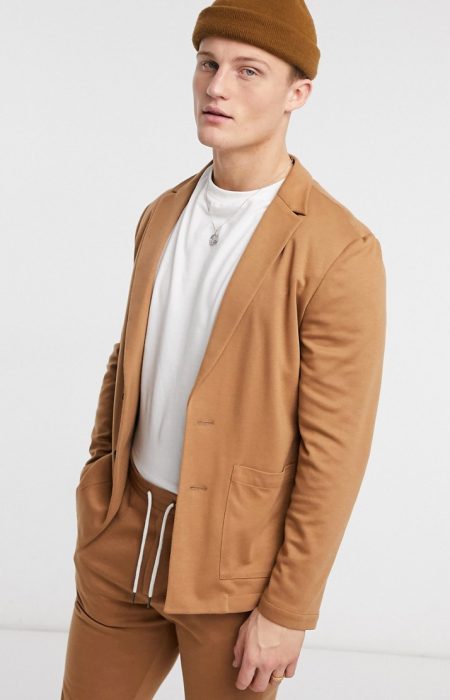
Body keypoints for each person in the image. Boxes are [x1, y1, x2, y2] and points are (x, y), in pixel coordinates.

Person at [61, 1, 386, 698]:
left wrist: (288, 607)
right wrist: (99, 483)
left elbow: (335, 450)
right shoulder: (162, 213)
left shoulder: (339, 250)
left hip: (236, 570)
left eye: (248, 71)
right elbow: (130, 358)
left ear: (298, 94)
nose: (217, 87)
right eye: (207, 63)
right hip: (123, 540)